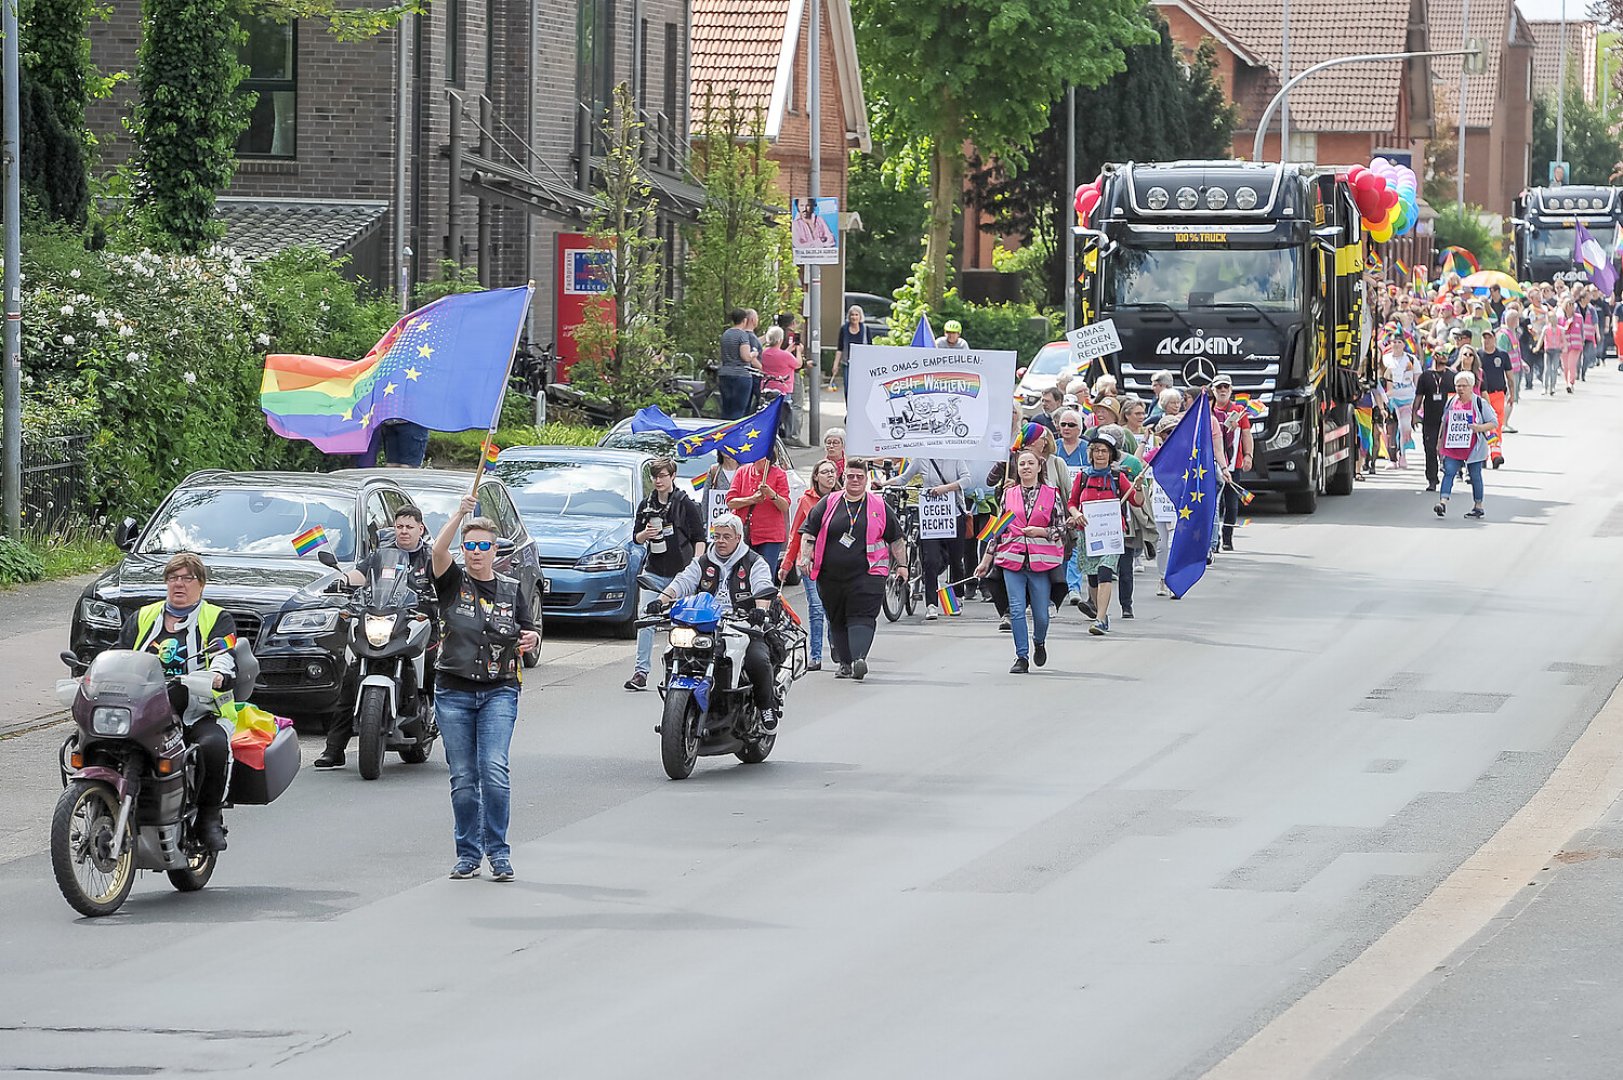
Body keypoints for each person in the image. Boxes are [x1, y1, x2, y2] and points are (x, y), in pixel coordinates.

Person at [431, 494, 541, 882]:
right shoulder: (452, 582)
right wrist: (458, 515)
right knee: (463, 777)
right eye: (470, 546)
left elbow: (532, 631)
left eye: (483, 546)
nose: (476, 553)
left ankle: (498, 851)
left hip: (499, 689)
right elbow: (436, 549)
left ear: (495, 550)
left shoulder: (512, 589)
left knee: (493, 768)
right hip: (454, 691)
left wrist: (530, 640)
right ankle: (467, 853)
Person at [121, 552, 237, 851]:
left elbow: (226, 656)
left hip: (196, 711)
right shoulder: (144, 617)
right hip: (144, 710)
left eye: (187, 578)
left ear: (201, 584)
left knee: (212, 747)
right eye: (173, 578)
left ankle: (209, 817)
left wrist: (218, 676)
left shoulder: (217, 618)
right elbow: (118, 652)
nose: (179, 584)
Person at [316, 504, 437, 770]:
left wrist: (440, 598)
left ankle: (447, 735)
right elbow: (362, 575)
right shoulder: (382, 554)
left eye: (409, 527)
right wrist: (343, 580)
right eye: (399, 526)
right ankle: (334, 750)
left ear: (421, 529)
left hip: (418, 623)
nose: (403, 531)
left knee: (436, 672)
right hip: (384, 621)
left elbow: (447, 582)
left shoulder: (430, 557)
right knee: (350, 679)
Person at [650, 513, 781, 730]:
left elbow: (762, 586)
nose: (720, 540)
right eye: (717, 535)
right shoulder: (703, 561)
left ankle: (766, 706)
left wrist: (760, 610)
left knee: (757, 659)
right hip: (704, 624)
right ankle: (675, 709)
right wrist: (660, 600)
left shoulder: (754, 562)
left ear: (738, 538)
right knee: (672, 650)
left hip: (742, 625)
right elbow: (683, 581)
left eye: (726, 536)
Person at [796, 458, 907, 681]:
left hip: (868, 575)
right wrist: (805, 558)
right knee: (837, 618)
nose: (855, 480)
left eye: (860, 477)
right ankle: (845, 662)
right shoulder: (828, 503)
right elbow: (808, 532)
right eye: (851, 476)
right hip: (830, 577)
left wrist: (903, 566)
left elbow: (896, 539)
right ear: (843, 477)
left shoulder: (878, 506)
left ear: (866, 479)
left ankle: (859, 658)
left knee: (862, 614)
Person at [976, 449, 1063, 673]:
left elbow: (1062, 528)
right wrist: (986, 560)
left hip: (1040, 562)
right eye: (1022, 464)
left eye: (1030, 463)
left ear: (1039, 467)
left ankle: (1039, 641)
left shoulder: (1051, 493)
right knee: (1015, 609)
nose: (1025, 467)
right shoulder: (1009, 494)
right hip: (1011, 558)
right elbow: (998, 530)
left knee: (1041, 614)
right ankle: (1021, 656)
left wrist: (1041, 532)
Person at [626, 457, 707, 691]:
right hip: (654, 570)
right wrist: (646, 534)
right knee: (646, 620)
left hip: (680, 573)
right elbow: (636, 537)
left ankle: (682, 669)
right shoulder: (646, 505)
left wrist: (695, 568)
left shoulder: (685, 504)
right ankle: (641, 672)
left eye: (662, 476)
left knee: (682, 624)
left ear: (672, 476)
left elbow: (699, 538)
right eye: (655, 476)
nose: (658, 480)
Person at [1067, 431, 1141, 635]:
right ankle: (1100, 611)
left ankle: (1100, 619)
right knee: (1092, 577)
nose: (1100, 454)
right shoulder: (1083, 476)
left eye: (1104, 451)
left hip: (1112, 534)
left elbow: (1137, 501)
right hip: (1088, 533)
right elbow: (1072, 502)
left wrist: (1140, 488)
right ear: (1091, 454)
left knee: (1105, 572)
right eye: (1096, 450)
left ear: (1111, 455)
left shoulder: (1118, 477)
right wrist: (1076, 513)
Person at [882, 456, 970, 619]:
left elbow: (966, 480)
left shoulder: (956, 458)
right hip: (931, 518)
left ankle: (956, 597)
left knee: (956, 560)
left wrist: (945, 488)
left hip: (954, 515)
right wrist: (883, 484)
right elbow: (904, 478)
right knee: (930, 560)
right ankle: (931, 604)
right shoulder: (920, 459)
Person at [782, 459, 839, 671]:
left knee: (833, 607)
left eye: (832, 472)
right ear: (816, 476)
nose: (830, 476)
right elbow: (795, 535)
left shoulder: (842, 499)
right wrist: (786, 564)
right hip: (810, 562)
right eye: (825, 472)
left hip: (836, 563)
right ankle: (815, 655)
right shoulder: (806, 501)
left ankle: (836, 643)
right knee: (816, 608)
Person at [1434, 371, 1498, 521]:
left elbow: (1493, 422)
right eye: (1458, 386)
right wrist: (1439, 441)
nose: (1460, 389)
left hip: (1473, 448)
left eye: (1464, 386)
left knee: (1475, 476)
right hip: (1454, 446)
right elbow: (1444, 422)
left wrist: (1479, 428)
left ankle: (1478, 506)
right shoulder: (1451, 402)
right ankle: (1442, 503)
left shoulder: (1479, 403)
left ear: (1471, 387)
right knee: (1449, 472)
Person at [727, 452, 791, 580]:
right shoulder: (742, 472)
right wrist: (752, 500)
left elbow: (784, 506)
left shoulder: (779, 475)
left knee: (764, 577)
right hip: (744, 534)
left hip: (770, 536)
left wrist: (771, 494)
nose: (756, 459)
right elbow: (730, 502)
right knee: (741, 576)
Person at [1209, 374, 1253, 552]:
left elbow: (1246, 434)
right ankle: (1214, 539)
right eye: (1219, 387)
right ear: (1214, 390)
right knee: (1214, 503)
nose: (1222, 390)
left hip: (1233, 463)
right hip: (1212, 465)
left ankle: (1227, 537)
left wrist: (1249, 455)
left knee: (1231, 502)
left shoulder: (1239, 410)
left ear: (1231, 390)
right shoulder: (1208, 411)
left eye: (1226, 387)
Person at [1413, 349, 1455, 492]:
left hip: (1448, 420)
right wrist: (1414, 415)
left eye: (1445, 355)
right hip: (1430, 419)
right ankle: (1432, 479)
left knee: (1447, 450)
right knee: (1430, 449)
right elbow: (1419, 396)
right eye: (1440, 354)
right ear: (1434, 356)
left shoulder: (1452, 376)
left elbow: (1458, 397)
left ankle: (1451, 474)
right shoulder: (1425, 376)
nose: (1443, 357)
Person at [1382, 333, 1419, 471]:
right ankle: (1392, 459)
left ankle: (1403, 456)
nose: (1396, 344)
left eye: (1399, 342)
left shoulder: (1411, 360)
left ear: (1404, 344)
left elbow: (1417, 379)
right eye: (1394, 342)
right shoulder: (1385, 359)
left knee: (1405, 429)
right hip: (1390, 399)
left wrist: (1418, 399)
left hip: (1407, 398)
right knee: (1390, 429)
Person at [1475, 330, 1511, 469]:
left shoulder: (1502, 355)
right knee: (1482, 425)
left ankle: (1495, 454)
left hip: (1498, 394)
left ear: (1494, 339)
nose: (1486, 340)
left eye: (1489, 337)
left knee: (1495, 425)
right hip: (1481, 395)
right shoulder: (1477, 355)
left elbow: (1509, 375)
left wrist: (1512, 392)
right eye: (1484, 338)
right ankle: (1482, 456)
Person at [759, 325, 802, 440]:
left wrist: (788, 350)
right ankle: (787, 437)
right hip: (783, 387)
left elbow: (778, 357)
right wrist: (798, 351)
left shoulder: (764, 353)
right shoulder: (785, 355)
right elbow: (798, 364)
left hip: (767, 386)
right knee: (784, 414)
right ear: (780, 340)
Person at [719, 308, 761, 419]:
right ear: (745, 320)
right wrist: (754, 353)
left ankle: (724, 433)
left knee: (726, 408)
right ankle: (736, 434)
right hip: (741, 375)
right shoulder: (742, 335)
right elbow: (745, 357)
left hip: (724, 373)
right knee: (739, 410)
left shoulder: (726, 334)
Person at [833, 306, 871, 396]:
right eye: (852, 315)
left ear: (860, 316)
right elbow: (840, 348)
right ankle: (849, 409)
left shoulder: (865, 329)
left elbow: (870, 349)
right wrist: (835, 365)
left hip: (862, 365)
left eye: (856, 315)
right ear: (849, 316)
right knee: (848, 388)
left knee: (860, 388)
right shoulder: (844, 329)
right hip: (847, 363)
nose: (854, 317)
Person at [1559, 298, 1583, 392]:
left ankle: (1571, 383)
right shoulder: (1560, 319)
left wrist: (1582, 340)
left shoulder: (1579, 317)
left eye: (1573, 305)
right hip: (1564, 345)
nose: (1571, 308)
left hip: (1575, 345)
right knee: (1565, 366)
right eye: (1569, 305)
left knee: (1571, 364)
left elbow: (1582, 331)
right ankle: (1567, 382)